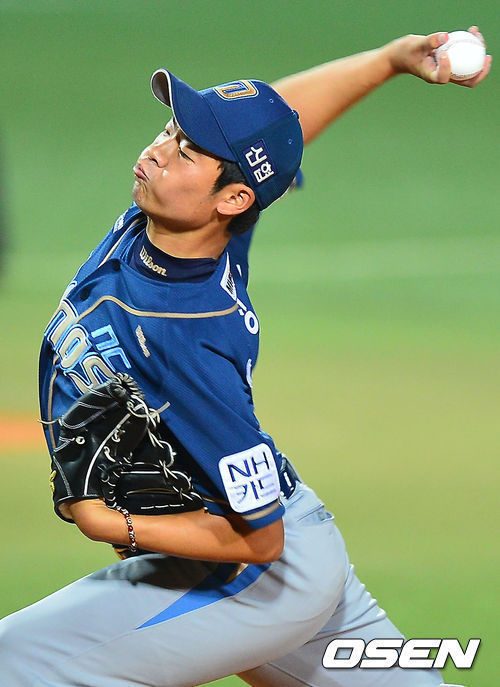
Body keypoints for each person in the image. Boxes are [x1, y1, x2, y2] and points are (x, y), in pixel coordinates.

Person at [0, 28, 490, 687]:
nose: (159, 150)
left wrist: (107, 521)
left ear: (231, 199)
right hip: (288, 553)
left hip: (255, 575)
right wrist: (388, 61)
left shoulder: (186, 339)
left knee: (17, 663)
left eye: (187, 149)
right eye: (171, 131)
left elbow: (261, 538)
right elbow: (275, 125)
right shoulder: (187, 226)